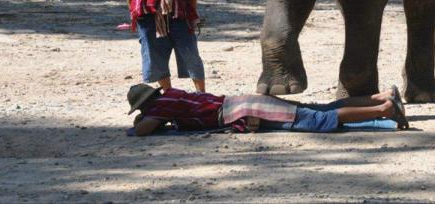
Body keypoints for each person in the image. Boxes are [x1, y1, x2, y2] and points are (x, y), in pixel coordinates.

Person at [127, 83, 409, 136]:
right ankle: (380, 96)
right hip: (242, 101)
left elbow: (142, 131)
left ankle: (384, 109)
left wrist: (143, 119)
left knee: (320, 122)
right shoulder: (173, 94)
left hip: (245, 111)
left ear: (146, 104)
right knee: (318, 109)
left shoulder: (161, 107)